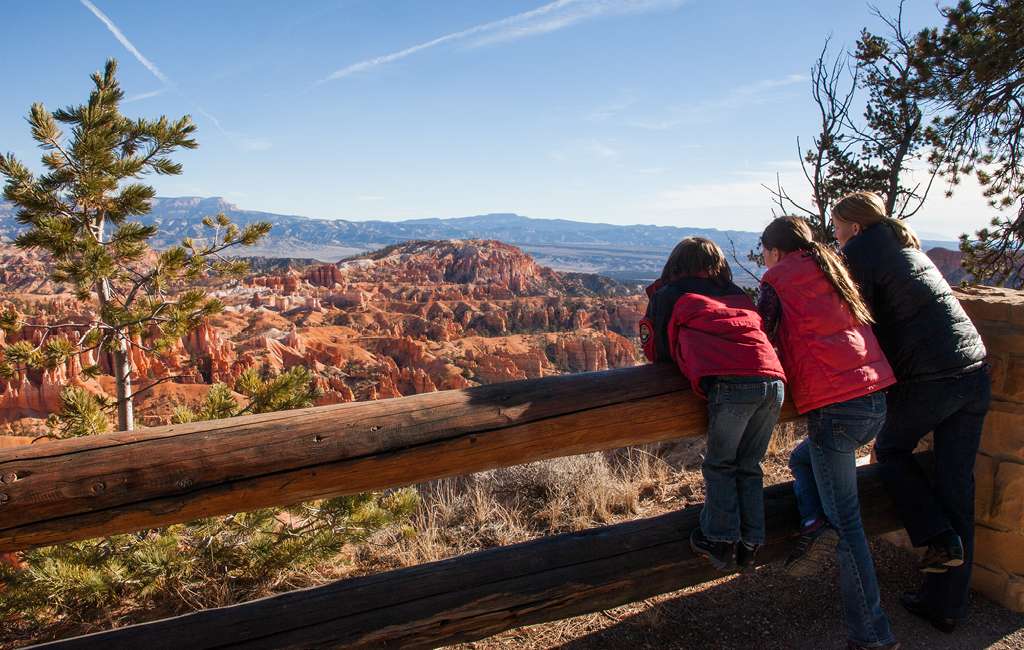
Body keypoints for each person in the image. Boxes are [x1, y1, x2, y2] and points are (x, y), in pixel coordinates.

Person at [833, 191, 990, 635]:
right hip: (975, 372)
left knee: (891, 449)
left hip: (933, 379)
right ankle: (946, 605)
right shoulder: (907, 249)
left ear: (855, 227)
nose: (836, 234)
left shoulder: (860, 254)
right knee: (956, 486)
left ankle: (937, 536)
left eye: (838, 226)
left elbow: (857, 323)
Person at [759, 216, 899, 650]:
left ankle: (873, 635)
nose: (764, 259)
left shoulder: (777, 279)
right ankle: (814, 523)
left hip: (836, 408)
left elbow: (761, 337)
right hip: (875, 398)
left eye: (764, 251)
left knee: (849, 527)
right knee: (801, 459)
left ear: (775, 250)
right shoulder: (831, 266)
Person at [640, 237, 785, 572]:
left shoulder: (669, 294)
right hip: (774, 381)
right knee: (749, 464)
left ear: (676, 262)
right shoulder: (736, 293)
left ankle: (720, 540)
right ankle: (751, 542)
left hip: (733, 385)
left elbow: (657, 351)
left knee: (720, 464)